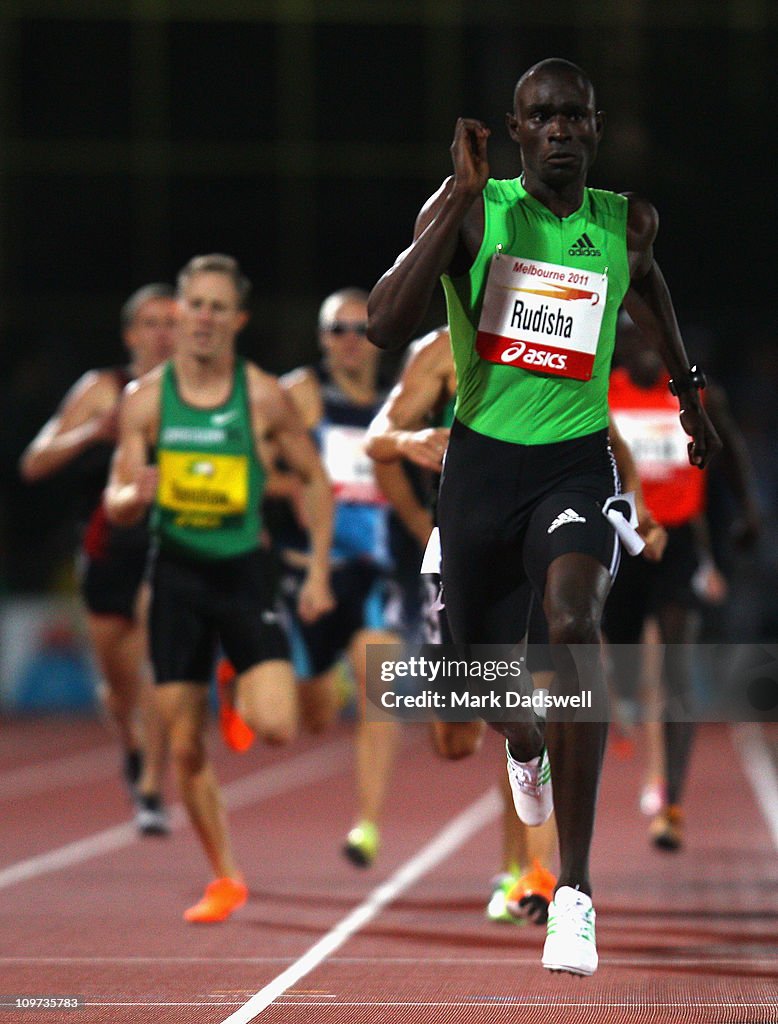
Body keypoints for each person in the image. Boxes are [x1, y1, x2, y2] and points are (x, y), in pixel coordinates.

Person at [366, 58, 720, 975]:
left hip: (572, 466)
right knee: (473, 693)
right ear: (517, 132)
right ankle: (526, 744)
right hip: (481, 471)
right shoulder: (478, 213)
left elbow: (654, 294)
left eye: (575, 117)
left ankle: (575, 892)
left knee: (574, 622)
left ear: (594, 128)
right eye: (543, 117)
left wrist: (688, 394)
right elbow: (381, 319)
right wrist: (457, 197)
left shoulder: (626, 222)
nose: (561, 130)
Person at [105, 254, 334, 923]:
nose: (201, 319)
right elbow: (119, 491)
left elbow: (315, 478)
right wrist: (129, 496)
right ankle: (226, 876)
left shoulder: (262, 394)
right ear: (179, 313)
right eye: (192, 305)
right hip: (176, 574)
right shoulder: (144, 400)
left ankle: (240, 680)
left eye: (214, 307)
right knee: (181, 743)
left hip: (243, 574)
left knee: (277, 727)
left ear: (237, 319)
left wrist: (317, 569)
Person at [365, 326, 558, 925]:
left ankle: (529, 874)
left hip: (535, 544)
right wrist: (412, 442)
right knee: (455, 739)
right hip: (458, 554)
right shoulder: (441, 349)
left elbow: (603, 434)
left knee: (526, 706)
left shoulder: (558, 323)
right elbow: (378, 439)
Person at [19, 284, 177, 835]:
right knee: (119, 684)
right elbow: (34, 463)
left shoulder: (197, 394)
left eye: (173, 322)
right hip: (107, 547)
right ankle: (133, 746)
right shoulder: (100, 390)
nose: (164, 333)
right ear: (132, 334)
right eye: (153, 322)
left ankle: (153, 788)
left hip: (170, 544)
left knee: (160, 661)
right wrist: (94, 432)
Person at [606, 313, 761, 850]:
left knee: (674, 669)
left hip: (677, 548)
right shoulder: (602, 394)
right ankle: (624, 700)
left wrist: (748, 513)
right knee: (622, 666)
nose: (645, 352)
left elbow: (732, 455)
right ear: (620, 349)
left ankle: (670, 801)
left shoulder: (697, 397)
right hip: (624, 541)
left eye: (652, 341)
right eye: (632, 343)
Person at [269, 287, 408, 868]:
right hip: (307, 574)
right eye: (337, 329)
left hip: (374, 574)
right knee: (312, 714)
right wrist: (298, 487)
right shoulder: (303, 394)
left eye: (359, 328)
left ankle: (366, 827)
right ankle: (310, 685)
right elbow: (249, 465)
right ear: (323, 339)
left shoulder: (399, 402)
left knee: (383, 689)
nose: (349, 340)